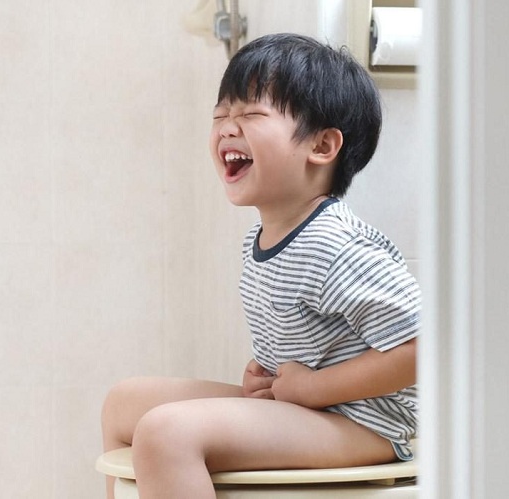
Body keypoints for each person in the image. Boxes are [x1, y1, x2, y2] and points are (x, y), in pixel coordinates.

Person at [101, 33, 420, 499]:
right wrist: (266, 375)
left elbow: (422, 349)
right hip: (311, 409)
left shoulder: (336, 245)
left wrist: (314, 388)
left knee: (167, 433)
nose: (227, 128)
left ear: (322, 145)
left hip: (366, 423)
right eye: (220, 116)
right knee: (123, 404)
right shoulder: (263, 237)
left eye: (250, 114)